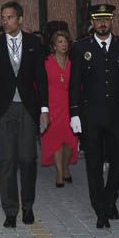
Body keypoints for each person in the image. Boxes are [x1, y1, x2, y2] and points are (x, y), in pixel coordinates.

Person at [69, 3, 119, 230]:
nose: (102, 23)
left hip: (118, 114)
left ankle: (110, 197)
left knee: (118, 160)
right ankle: (100, 209)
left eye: (106, 19)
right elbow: (75, 83)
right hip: (91, 115)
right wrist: (74, 113)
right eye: (98, 19)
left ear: (112, 21)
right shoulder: (81, 47)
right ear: (92, 22)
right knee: (94, 163)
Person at [0, 1, 49, 228]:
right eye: (3, 17)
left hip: (28, 108)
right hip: (3, 110)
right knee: (7, 161)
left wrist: (44, 109)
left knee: (28, 159)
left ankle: (27, 206)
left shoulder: (33, 43)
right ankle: (10, 210)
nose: (5, 21)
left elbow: (41, 78)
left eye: (9, 17)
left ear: (20, 19)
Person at [40, 30, 79, 187]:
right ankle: (59, 174)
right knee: (55, 140)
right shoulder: (46, 62)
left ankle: (65, 167)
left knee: (70, 140)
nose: (64, 45)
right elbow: (39, 85)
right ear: (54, 46)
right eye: (60, 42)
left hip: (70, 105)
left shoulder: (73, 62)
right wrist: (42, 108)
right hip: (52, 105)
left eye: (66, 42)